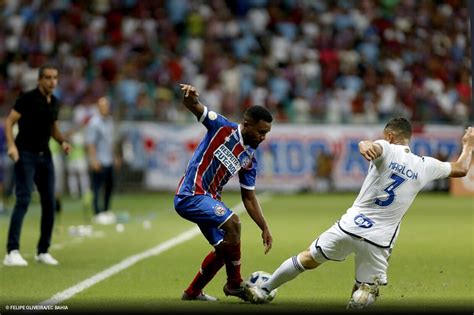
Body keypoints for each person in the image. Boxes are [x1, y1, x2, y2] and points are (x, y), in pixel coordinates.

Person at [248, 118, 474, 308]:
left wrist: (366, 145)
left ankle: (264, 289)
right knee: (365, 290)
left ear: (389, 135)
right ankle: (360, 297)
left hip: (351, 225)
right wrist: (468, 145)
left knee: (308, 257)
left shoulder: (386, 148)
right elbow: (462, 168)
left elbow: (370, 145)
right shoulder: (425, 165)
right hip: (380, 239)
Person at [175, 83, 273, 302]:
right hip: (190, 194)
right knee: (234, 224)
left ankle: (192, 292)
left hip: (208, 200)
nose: (263, 137)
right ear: (246, 125)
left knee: (224, 249)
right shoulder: (221, 127)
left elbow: (248, 197)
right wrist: (190, 97)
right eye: (261, 132)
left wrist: (264, 227)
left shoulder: (249, 159)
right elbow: (193, 106)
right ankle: (235, 284)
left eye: (266, 133)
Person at [3, 64, 72, 266]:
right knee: (23, 200)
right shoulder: (27, 98)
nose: (52, 81)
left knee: (49, 203)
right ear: (39, 80)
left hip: (45, 155)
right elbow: (9, 122)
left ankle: (43, 250)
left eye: (55, 78)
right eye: (48, 77)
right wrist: (11, 146)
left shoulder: (54, 102)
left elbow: (54, 129)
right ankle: (12, 251)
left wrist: (63, 142)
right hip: (25, 154)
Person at [85, 96, 120, 225]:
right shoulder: (94, 123)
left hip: (109, 160)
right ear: (98, 107)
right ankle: (97, 213)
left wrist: (115, 157)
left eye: (106, 106)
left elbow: (111, 142)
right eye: (102, 106)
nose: (105, 108)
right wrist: (93, 160)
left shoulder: (109, 121)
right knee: (96, 187)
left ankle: (106, 210)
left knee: (109, 187)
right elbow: (90, 144)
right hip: (99, 160)